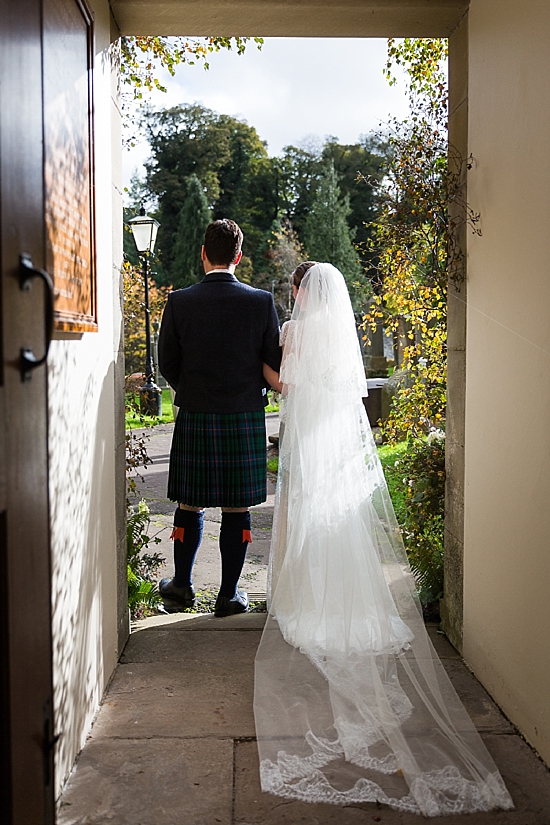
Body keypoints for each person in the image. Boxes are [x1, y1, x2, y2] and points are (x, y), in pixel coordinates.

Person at [254, 262, 514, 816]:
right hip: (335, 445)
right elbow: (348, 389)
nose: (294, 295)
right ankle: (346, 600)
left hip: (306, 441)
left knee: (304, 521)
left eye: (295, 288)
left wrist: (262, 367)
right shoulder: (341, 334)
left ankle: (302, 598)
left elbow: (287, 384)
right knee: (337, 526)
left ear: (302, 290)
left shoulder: (294, 333)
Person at [157, 219, 281, 618]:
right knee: (237, 508)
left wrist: (192, 390)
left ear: (203, 255)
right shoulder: (261, 301)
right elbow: (272, 363)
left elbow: (167, 363)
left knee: (189, 504)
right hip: (243, 415)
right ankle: (228, 595)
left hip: (196, 413)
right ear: (238, 256)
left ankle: (181, 586)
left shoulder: (179, 302)